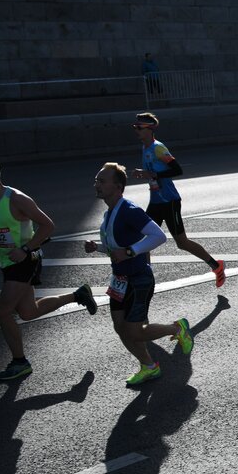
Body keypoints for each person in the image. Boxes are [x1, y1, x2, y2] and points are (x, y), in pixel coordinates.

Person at [0, 157, 98, 382]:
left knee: (2, 311)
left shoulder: (17, 199)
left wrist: (26, 249)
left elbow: (48, 225)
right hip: (8, 260)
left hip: (27, 259)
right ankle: (78, 294)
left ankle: (20, 362)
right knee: (28, 312)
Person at [84, 163, 195, 386]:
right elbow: (116, 248)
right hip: (119, 280)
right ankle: (149, 366)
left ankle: (177, 328)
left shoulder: (129, 210)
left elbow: (159, 236)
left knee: (134, 331)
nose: (96, 184)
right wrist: (97, 247)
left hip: (138, 279)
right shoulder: (110, 213)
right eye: (96, 180)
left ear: (117, 186)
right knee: (119, 326)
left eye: (101, 181)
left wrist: (129, 252)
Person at [129, 113, 226, 287]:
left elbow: (177, 169)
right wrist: (144, 173)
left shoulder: (158, 148)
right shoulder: (145, 148)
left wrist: (153, 174)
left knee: (182, 243)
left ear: (149, 129)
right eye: (135, 127)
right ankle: (146, 277)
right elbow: (153, 173)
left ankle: (216, 265)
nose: (136, 130)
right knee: (144, 239)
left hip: (169, 201)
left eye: (139, 128)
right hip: (156, 201)